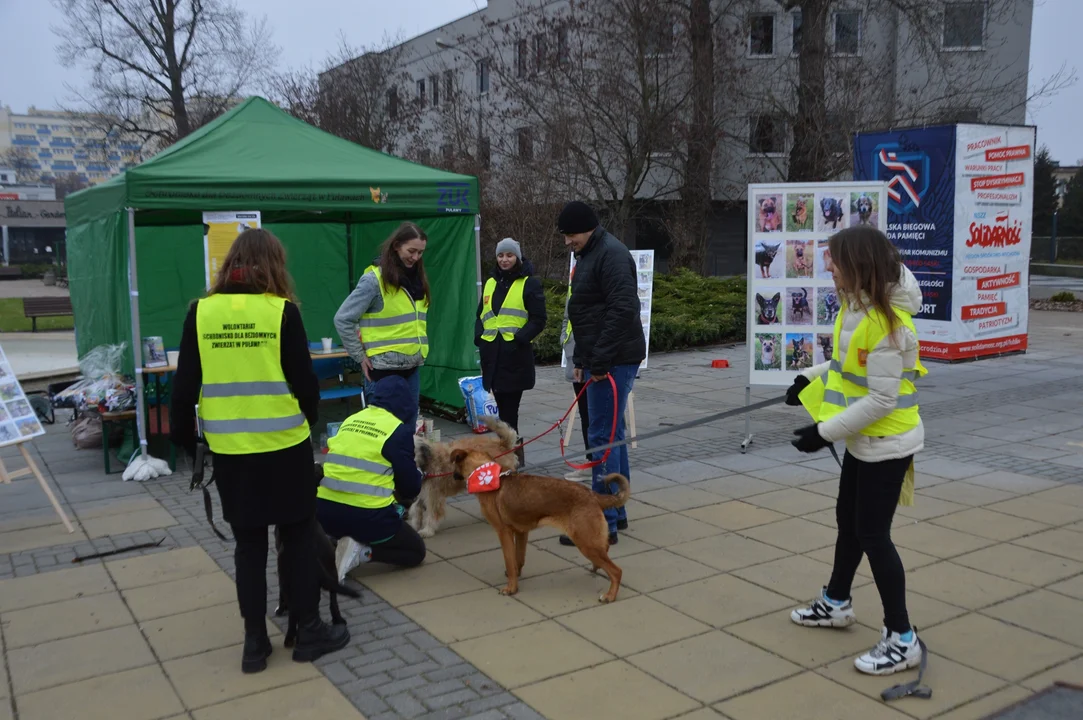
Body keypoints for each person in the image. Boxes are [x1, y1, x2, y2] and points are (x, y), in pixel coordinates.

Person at [170, 228, 349, 674]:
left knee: (248, 547)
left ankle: (254, 643)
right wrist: (309, 420)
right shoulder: (280, 312)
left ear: (230, 262)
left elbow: (184, 385)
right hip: (284, 446)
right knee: (297, 537)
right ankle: (307, 631)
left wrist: (184, 440)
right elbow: (305, 380)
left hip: (231, 451)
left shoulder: (201, 313)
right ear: (274, 264)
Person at [785, 225, 927, 676]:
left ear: (858, 266)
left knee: (873, 536)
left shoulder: (884, 323)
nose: (827, 266)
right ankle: (837, 601)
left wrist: (823, 432)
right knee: (849, 520)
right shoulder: (855, 307)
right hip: (865, 441)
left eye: (833, 260)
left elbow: (883, 398)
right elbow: (847, 366)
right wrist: (808, 378)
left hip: (888, 443)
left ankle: (902, 639)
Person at [557, 201, 645, 545]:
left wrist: (599, 361)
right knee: (613, 433)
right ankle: (616, 510)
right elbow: (585, 312)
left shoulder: (612, 255)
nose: (567, 242)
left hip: (615, 359)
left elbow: (623, 310)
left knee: (601, 437)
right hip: (602, 356)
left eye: (570, 234)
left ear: (588, 228)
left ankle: (600, 523)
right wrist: (580, 358)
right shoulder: (590, 254)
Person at [316, 375, 427, 573]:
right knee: (416, 551)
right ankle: (363, 552)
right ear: (405, 402)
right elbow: (410, 487)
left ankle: (335, 542)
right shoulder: (397, 430)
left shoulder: (351, 420)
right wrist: (417, 472)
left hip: (325, 513)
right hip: (367, 516)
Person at [334, 222, 430, 432]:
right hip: (382, 373)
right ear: (396, 246)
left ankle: (404, 466)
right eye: (411, 251)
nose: (415, 257)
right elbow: (343, 319)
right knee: (383, 433)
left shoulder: (417, 280)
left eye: (420, 252)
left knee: (408, 430)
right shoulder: (373, 281)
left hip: (412, 368)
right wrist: (359, 356)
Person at [474, 238, 547, 466]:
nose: (504, 260)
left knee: (509, 412)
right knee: (501, 412)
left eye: (509, 255)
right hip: (492, 357)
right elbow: (481, 315)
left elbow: (539, 319)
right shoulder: (490, 283)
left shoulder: (529, 284)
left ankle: (512, 459)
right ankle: (506, 455)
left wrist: (519, 339)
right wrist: (479, 339)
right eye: (500, 256)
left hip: (514, 357)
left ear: (518, 257)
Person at [559, 266, 592, 482]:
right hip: (575, 359)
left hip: (590, 360)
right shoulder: (575, 288)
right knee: (585, 415)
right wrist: (564, 340)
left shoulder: (593, 289)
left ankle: (597, 462)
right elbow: (567, 319)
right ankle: (591, 461)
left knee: (594, 416)